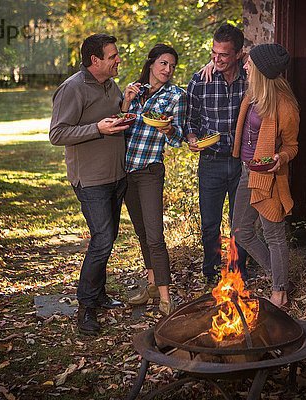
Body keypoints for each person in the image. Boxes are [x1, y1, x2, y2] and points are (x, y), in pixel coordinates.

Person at [49, 33, 128, 335]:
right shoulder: (72, 89)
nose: (118, 59)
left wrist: (124, 114)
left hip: (116, 175)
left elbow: (112, 114)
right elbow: (57, 134)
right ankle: (85, 308)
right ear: (95, 60)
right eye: (113, 56)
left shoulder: (110, 83)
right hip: (91, 180)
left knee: (107, 239)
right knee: (102, 239)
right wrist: (97, 128)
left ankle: (100, 295)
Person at [231, 43, 299, 308]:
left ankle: (280, 290)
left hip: (269, 176)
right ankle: (279, 274)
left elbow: (292, 146)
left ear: (261, 70)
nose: (245, 65)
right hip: (247, 172)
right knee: (241, 230)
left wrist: (279, 158)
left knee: (274, 235)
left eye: (249, 63)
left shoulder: (285, 105)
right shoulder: (252, 95)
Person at [120, 44, 186, 315]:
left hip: (149, 170)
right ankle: (150, 284)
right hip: (125, 171)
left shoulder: (176, 96)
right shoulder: (135, 90)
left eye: (171, 65)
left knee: (155, 235)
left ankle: (165, 297)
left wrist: (169, 128)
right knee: (142, 233)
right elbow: (118, 124)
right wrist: (125, 101)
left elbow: (179, 137)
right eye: (163, 63)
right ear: (151, 64)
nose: (167, 70)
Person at [185, 24, 249, 284]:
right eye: (214, 53)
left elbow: (265, 59)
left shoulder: (250, 77)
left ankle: (237, 270)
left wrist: (248, 59)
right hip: (210, 161)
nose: (217, 59)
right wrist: (191, 138)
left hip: (241, 163)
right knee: (210, 224)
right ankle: (211, 271)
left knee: (240, 224)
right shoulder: (200, 79)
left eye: (223, 54)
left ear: (238, 54)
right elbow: (191, 120)